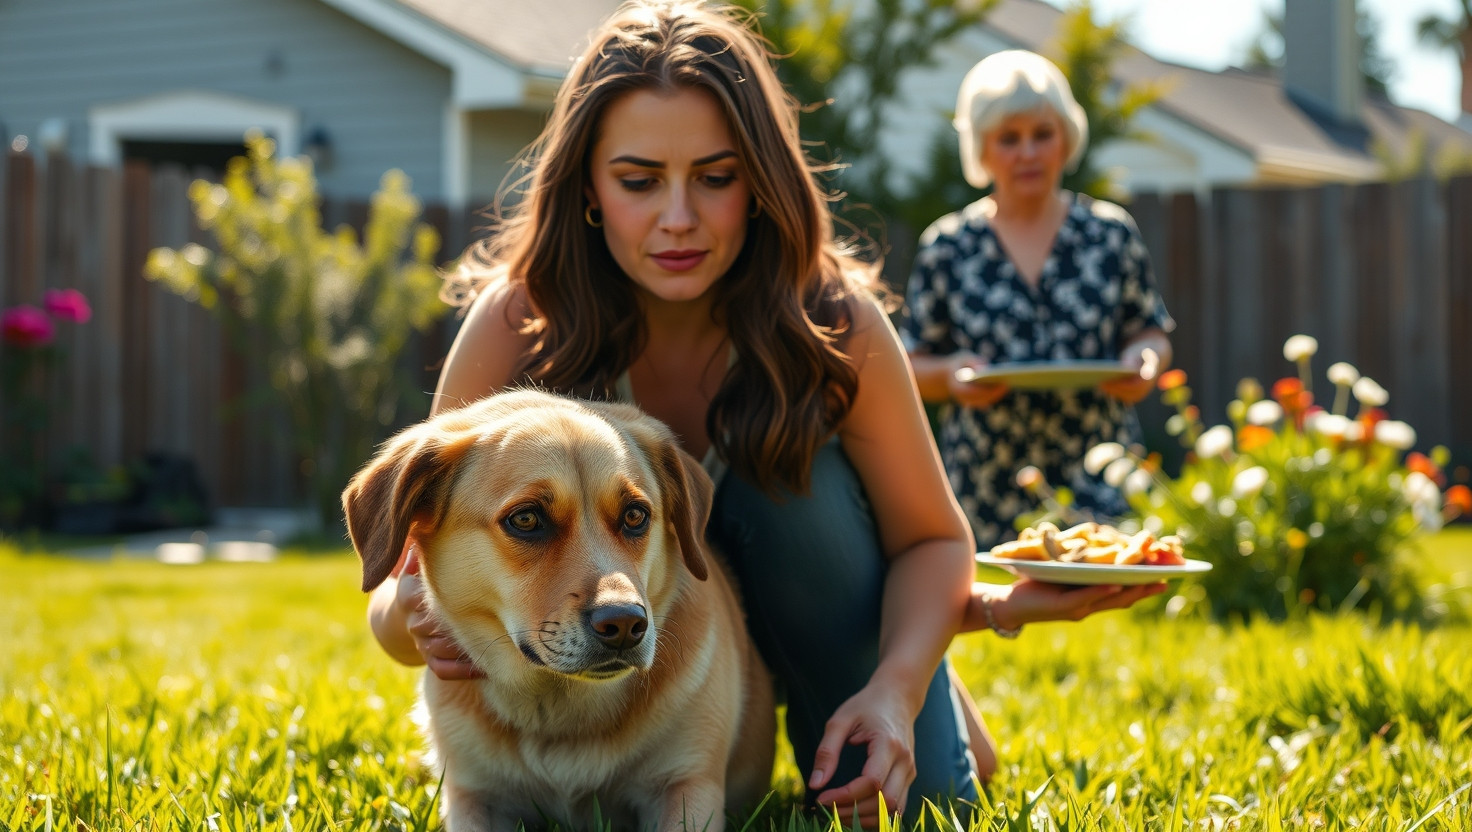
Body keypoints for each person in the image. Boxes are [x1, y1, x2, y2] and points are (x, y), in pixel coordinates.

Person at [365, 7, 1163, 827]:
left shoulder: (834, 320)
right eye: (640, 181)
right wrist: (420, 617)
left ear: (761, 183)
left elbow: (933, 537)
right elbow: (403, 584)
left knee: (924, 805)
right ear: (590, 190)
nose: (679, 216)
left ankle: (907, 690)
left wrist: (895, 691)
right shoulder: (518, 322)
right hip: (634, 637)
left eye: (716, 177)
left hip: (808, 599)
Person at [903, 49, 1177, 551]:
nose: (1028, 152)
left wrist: (1145, 362)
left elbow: (1149, 330)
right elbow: (911, 364)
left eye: (1042, 135)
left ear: (1066, 139)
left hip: (1100, 463)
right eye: (1009, 139)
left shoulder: (1111, 234)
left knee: (1107, 603)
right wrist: (950, 374)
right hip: (988, 476)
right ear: (982, 151)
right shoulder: (947, 245)